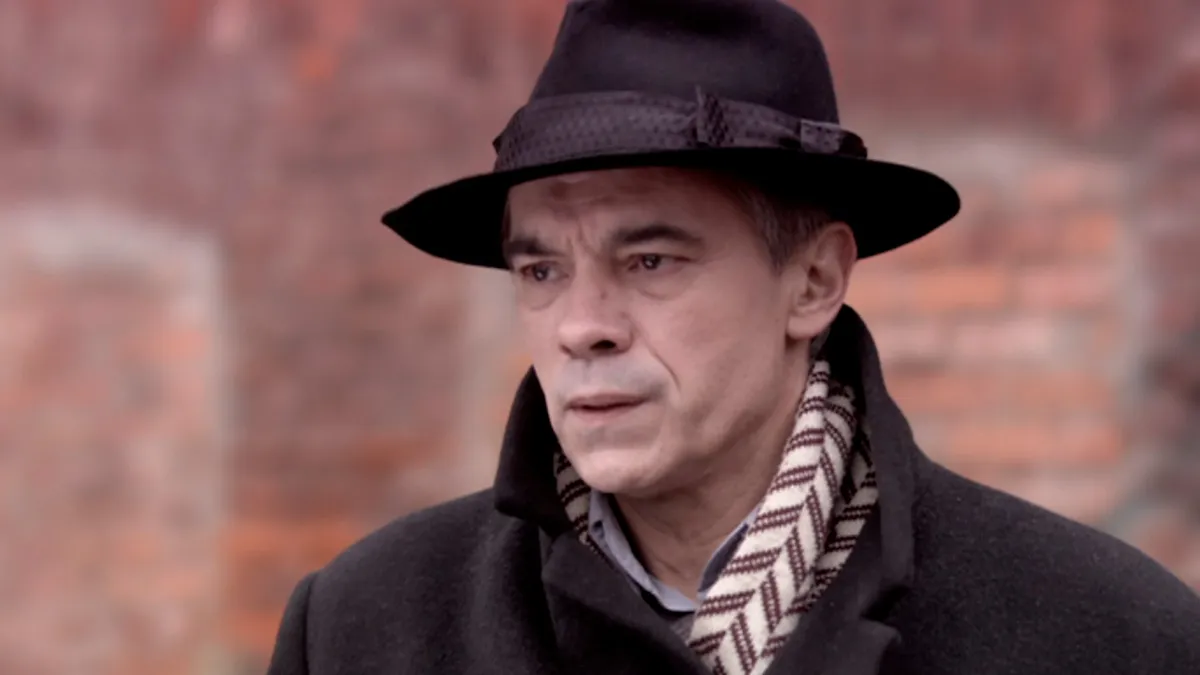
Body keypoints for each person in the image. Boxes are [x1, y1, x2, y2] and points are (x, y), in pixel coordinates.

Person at [265, 1, 1200, 673]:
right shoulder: (361, 629)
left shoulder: (1109, 636)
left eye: (650, 260)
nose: (583, 326)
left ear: (815, 281)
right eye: (542, 270)